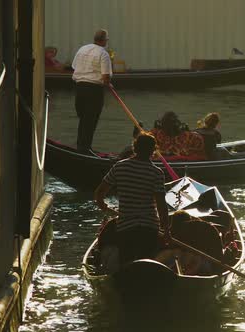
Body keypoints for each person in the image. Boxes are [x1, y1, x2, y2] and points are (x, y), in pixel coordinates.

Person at [94, 133, 170, 265]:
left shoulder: (120, 167)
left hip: (126, 226)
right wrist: (167, 230)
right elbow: (161, 205)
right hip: (149, 227)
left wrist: (103, 205)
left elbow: (100, 192)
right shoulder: (157, 173)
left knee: (126, 263)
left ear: (135, 147)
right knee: (147, 264)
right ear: (153, 151)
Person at [72, 29, 113, 154]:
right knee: (90, 120)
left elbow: (74, 67)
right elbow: (105, 77)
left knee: (83, 118)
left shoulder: (82, 49)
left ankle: (81, 147)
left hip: (79, 88)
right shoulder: (103, 54)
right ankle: (85, 149)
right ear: (104, 40)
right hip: (94, 90)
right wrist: (109, 84)